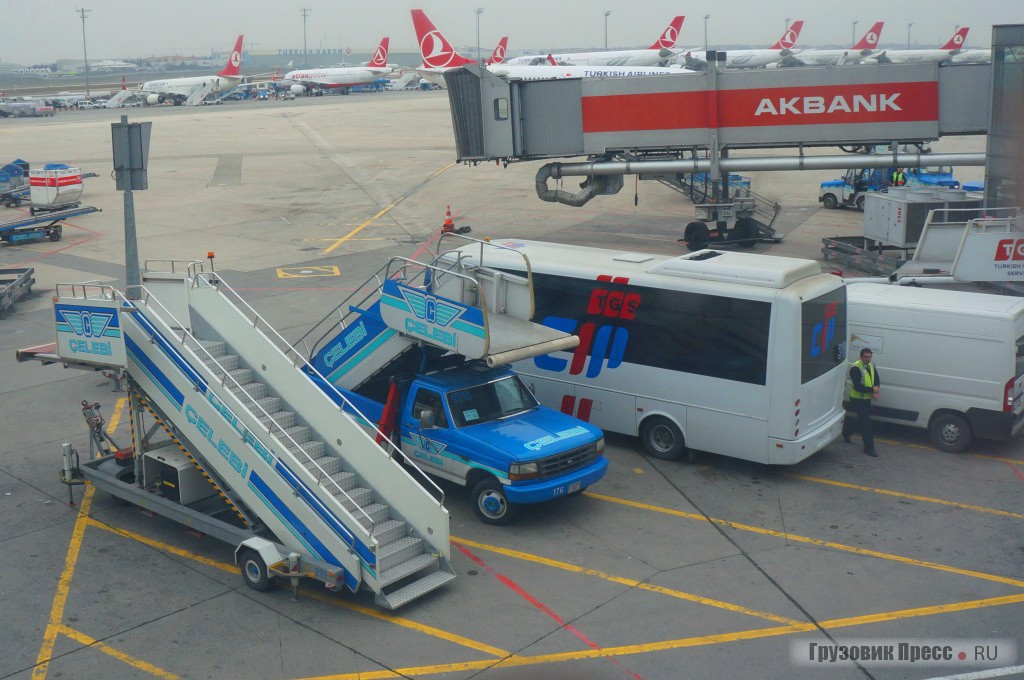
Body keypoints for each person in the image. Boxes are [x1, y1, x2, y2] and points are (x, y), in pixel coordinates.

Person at [842, 347, 881, 457]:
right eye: (865, 357)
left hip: (866, 399)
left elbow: (876, 378)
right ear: (861, 357)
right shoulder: (855, 368)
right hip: (857, 400)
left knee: (861, 420)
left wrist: (876, 389)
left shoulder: (871, 365)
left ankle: (846, 432)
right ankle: (869, 449)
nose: (868, 359)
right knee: (866, 425)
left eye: (869, 357)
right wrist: (872, 390)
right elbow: (858, 387)